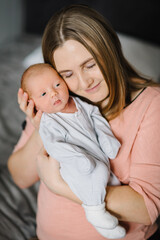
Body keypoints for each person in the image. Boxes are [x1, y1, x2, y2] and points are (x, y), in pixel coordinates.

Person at [8, 4, 160, 240]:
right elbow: (20, 177)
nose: (83, 82)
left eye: (90, 65)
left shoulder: (151, 105)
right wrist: (41, 128)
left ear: (110, 50)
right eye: (66, 75)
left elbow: (146, 208)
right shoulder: (58, 100)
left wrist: (61, 186)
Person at [21, 63, 126, 239]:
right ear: (34, 104)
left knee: (110, 182)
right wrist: (78, 159)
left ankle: (102, 216)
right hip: (76, 167)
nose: (54, 93)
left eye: (57, 85)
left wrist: (107, 140)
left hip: (96, 157)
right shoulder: (48, 122)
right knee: (98, 173)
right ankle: (95, 212)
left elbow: (95, 116)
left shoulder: (78, 102)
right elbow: (55, 146)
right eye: (44, 94)